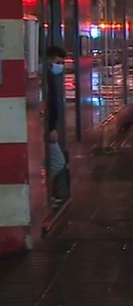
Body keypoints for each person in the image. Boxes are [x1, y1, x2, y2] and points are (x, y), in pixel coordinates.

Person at [44, 46, 69, 207]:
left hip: (47, 126)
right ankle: (45, 194)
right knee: (58, 161)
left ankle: (47, 194)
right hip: (47, 127)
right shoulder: (45, 78)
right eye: (58, 62)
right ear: (49, 59)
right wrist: (51, 127)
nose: (60, 66)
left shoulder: (48, 77)